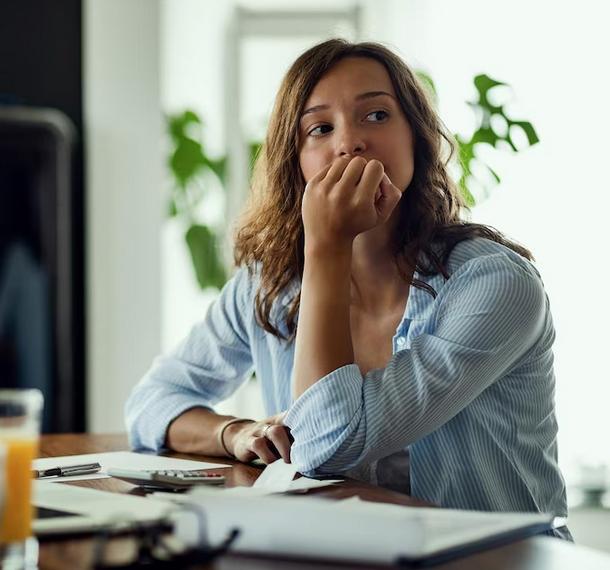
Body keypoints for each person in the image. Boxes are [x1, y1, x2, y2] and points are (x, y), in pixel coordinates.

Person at [125, 38, 570, 537]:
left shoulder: (494, 285)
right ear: (295, 162)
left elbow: (326, 445)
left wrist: (327, 247)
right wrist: (232, 433)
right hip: (349, 553)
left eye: (376, 116)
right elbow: (151, 403)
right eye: (320, 128)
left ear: (416, 139)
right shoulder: (269, 283)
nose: (349, 143)